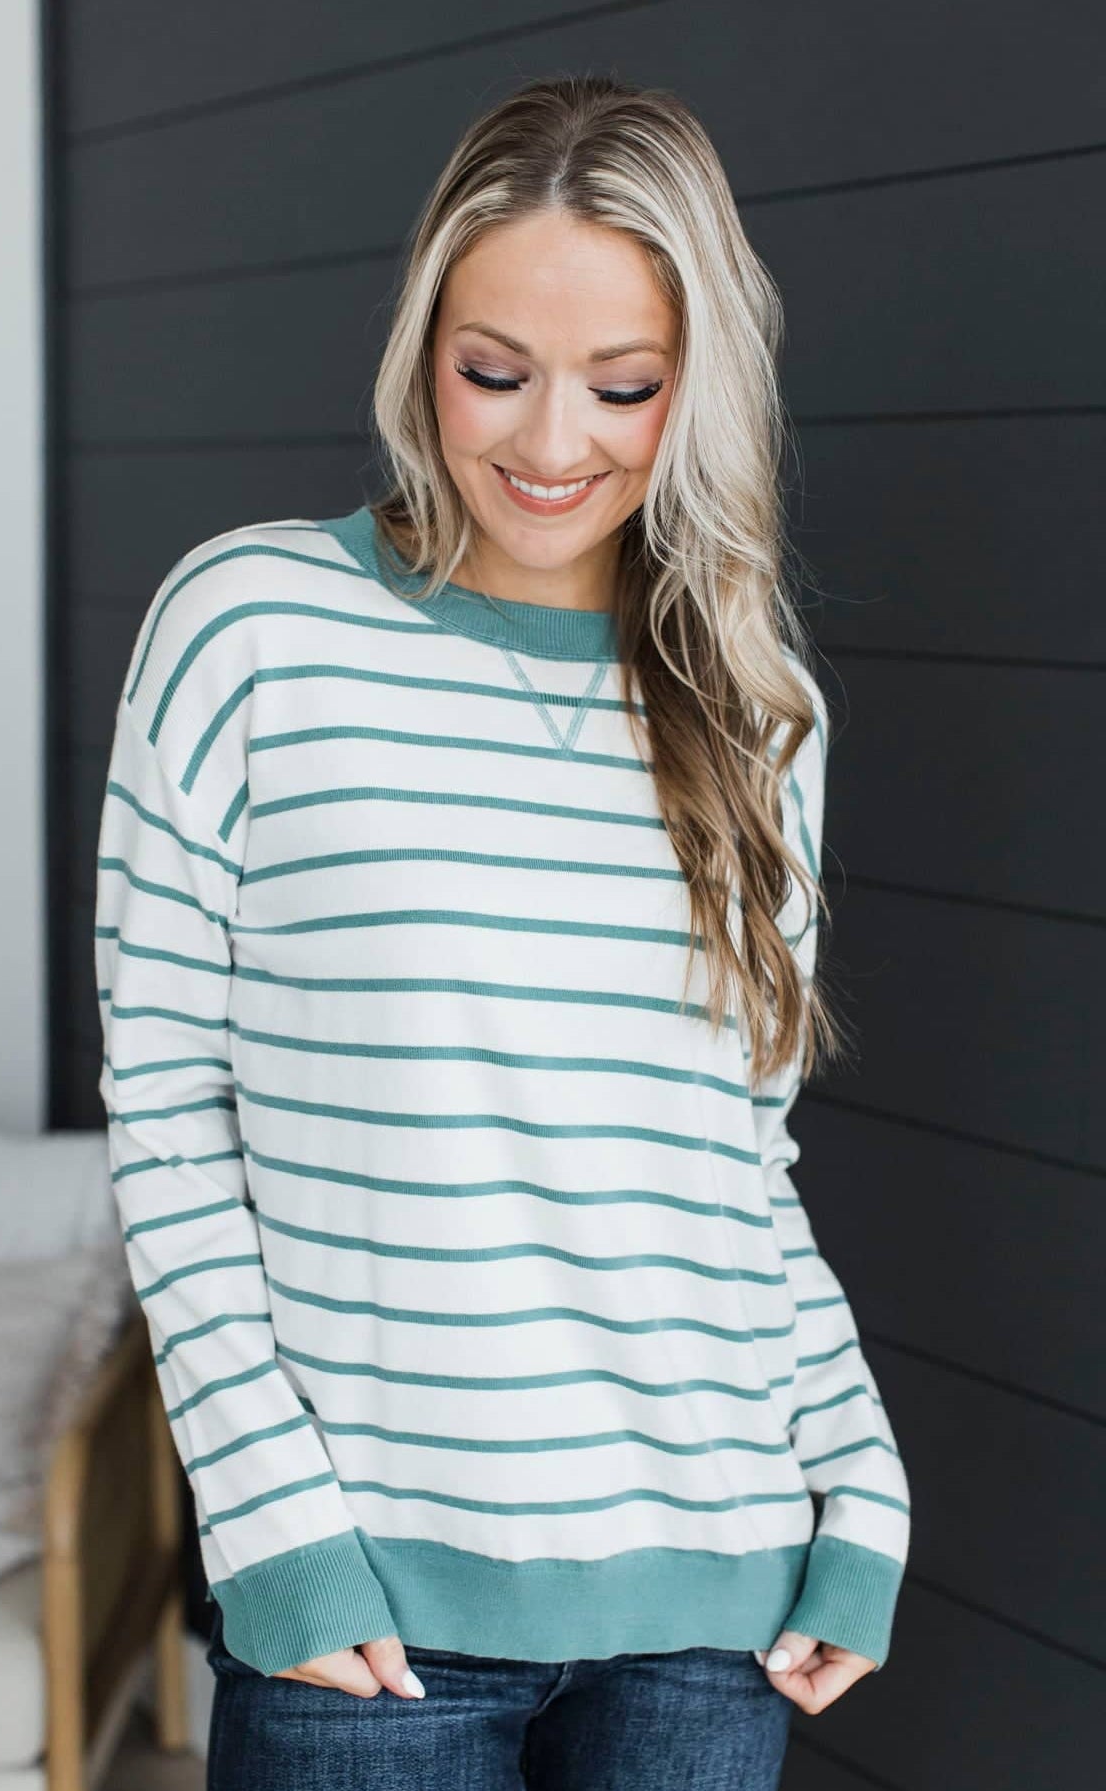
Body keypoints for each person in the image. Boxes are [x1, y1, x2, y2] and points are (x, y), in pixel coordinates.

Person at [94, 72, 910, 1791]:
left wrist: (859, 1480)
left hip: (718, 1602)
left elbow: (736, 1167)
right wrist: (274, 1529)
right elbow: (168, 1122)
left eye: (623, 384)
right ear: (422, 351)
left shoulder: (760, 708)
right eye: (494, 371)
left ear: (702, 386)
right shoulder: (249, 631)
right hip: (368, 1618)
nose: (550, 444)